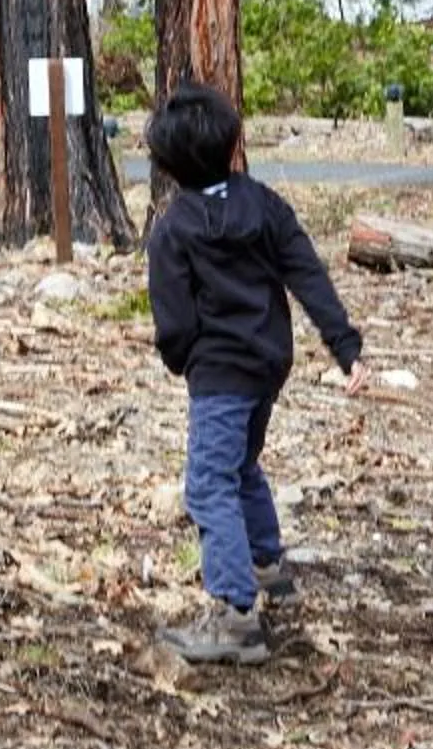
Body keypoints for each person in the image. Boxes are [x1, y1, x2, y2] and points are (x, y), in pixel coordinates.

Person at [144, 83, 367, 665]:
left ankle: (234, 612)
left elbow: (172, 318)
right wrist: (345, 347)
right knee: (241, 464)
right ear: (231, 145)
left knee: (208, 483)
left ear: (165, 164)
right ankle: (267, 566)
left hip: (220, 373)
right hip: (270, 362)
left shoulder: (172, 230)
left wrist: (184, 359)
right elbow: (307, 275)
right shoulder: (266, 205)